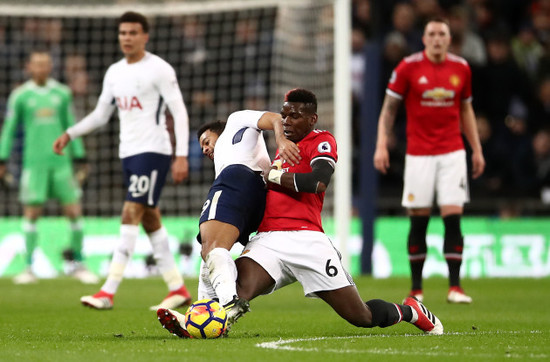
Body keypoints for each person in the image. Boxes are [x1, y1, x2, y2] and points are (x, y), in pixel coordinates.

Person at [158, 88, 443, 338]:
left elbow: (317, 181)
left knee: (361, 316)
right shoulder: (279, 154)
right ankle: (201, 322)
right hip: (269, 240)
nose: (287, 121)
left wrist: (274, 178)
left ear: (312, 119)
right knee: (231, 290)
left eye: (294, 116)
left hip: (307, 240)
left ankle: (410, 311)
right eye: (284, 115)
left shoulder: (322, 141)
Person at [53, 11, 192, 310]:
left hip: (153, 151)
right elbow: (102, 115)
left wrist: (181, 155)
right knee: (150, 217)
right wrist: (70, 133)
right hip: (128, 152)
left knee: (130, 212)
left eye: (132, 33)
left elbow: (178, 112)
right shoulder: (114, 72)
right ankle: (177, 287)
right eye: (122, 33)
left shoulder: (159, 69)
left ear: (145, 36)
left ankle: (108, 290)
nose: (126, 38)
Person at [157, 110, 300, 336]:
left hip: (238, 177)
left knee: (212, 247)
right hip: (258, 195)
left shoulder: (235, 120)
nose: (205, 149)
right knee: (209, 256)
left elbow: (273, 118)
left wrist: (282, 141)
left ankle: (229, 304)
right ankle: (201, 320)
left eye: (207, 141)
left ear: (219, 132)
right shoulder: (229, 155)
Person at [373, 18, 486, 304]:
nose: (437, 38)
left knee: (453, 218)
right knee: (419, 221)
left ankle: (455, 287)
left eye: (442, 34)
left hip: (452, 152)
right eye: (432, 34)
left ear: (449, 39)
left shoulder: (461, 68)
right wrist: (381, 145)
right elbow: (388, 109)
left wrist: (477, 149)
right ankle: (416, 289)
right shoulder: (408, 67)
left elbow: (466, 110)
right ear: (424, 39)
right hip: (419, 154)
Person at [0, 50, 98, 285]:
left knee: (74, 211)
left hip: (61, 163)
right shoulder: (20, 96)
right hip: (34, 164)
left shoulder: (62, 93)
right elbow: (10, 128)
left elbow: (71, 125)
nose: (41, 68)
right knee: (31, 214)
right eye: (37, 65)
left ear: (51, 66)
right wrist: (2, 158)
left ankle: (79, 264)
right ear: (29, 67)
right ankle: (29, 267)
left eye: (45, 64)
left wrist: (80, 156)